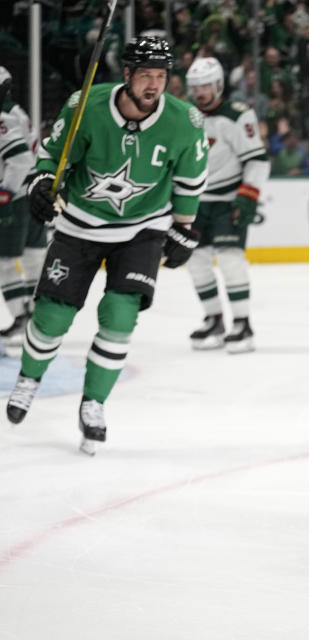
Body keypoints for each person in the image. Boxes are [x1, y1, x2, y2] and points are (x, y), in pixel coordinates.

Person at [5, 36, 207, 454]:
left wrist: (185, 228)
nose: (154, 84)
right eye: (146, 75)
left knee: (120, 314)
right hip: (80, 225)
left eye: (162, 76)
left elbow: (189, 182)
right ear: (127, 74)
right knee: (52, 317)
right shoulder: (86, 107)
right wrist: (44, 183)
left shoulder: (184, 121)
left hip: (141, 230)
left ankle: (94, 404)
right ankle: (29, 378)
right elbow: (52, 158)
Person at [184, 56, 268, 353]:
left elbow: (257, 160)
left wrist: (247, 197)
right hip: (194, 202)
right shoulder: (184, 115)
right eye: (195, 86)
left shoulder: (237, 115)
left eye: (206, 85)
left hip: (227, 201)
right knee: (195, 260)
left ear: (219, 84)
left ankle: (242, 324)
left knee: (231, 260)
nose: (201, 92)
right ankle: (214, 319)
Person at [0, 65, 45, 348]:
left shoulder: (3, 117)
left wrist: (6, 191)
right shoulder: (17, 111)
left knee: (3, 263)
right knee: (33, 258)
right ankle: (36, 320)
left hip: (15, 200)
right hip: (33, 193)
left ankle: (21, 318)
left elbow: (19, 159)